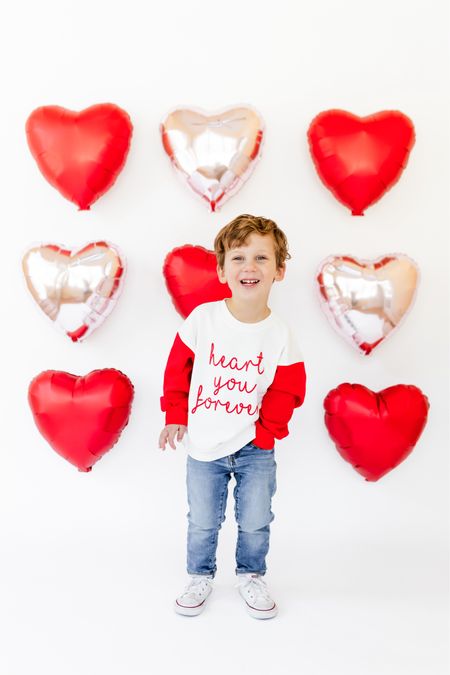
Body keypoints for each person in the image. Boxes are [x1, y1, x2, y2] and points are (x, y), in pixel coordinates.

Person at [159, 214, 306, 619]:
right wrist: (176, 415)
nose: (250, 267)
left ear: (279, 270)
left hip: (255, 448)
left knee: (257, 518)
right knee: (203, 520)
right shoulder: (203, 320)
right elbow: (178, 373)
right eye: (239, 258)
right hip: (204, 445)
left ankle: (252, 574)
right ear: (222, 270)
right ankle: (200, 575)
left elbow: (289, 388)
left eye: (262, 258)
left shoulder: (279, 332)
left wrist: (265, 433)